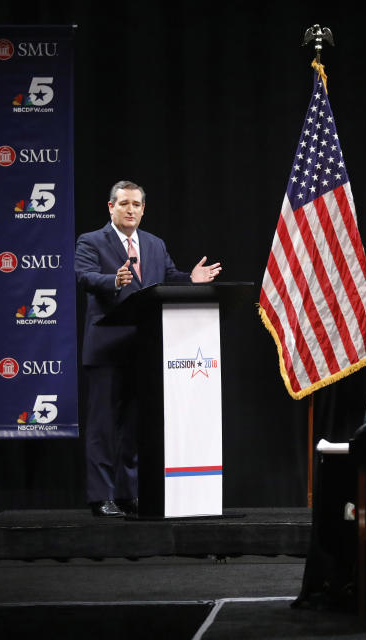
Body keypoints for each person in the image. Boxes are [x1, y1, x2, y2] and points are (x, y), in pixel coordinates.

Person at [75, 180, 222, 517]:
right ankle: (101, 498)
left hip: (145, 350)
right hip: (107, 350)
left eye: (136, 204)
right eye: (124, 203)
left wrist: (191, 280)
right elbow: (84, 276)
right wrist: (113, 280)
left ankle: (128, 495)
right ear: (110, 207)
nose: (130, 210)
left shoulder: (154, 244)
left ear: (143, 209)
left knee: (133, 428)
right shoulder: (92, 241)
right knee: (103, 428)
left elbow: (168, 277)